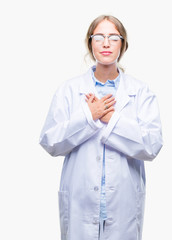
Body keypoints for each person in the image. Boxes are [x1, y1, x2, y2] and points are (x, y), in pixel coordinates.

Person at [39, 15, 163, 240]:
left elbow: (152, 146)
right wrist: (89, 116)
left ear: (123, 44)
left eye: (113, 37)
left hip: (122, 205)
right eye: (99, 37)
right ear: (90, 43)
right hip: (80, 203)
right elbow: (50, 142)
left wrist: (111, 119)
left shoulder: (141, 92)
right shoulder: (69, 90)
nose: (106, 43)